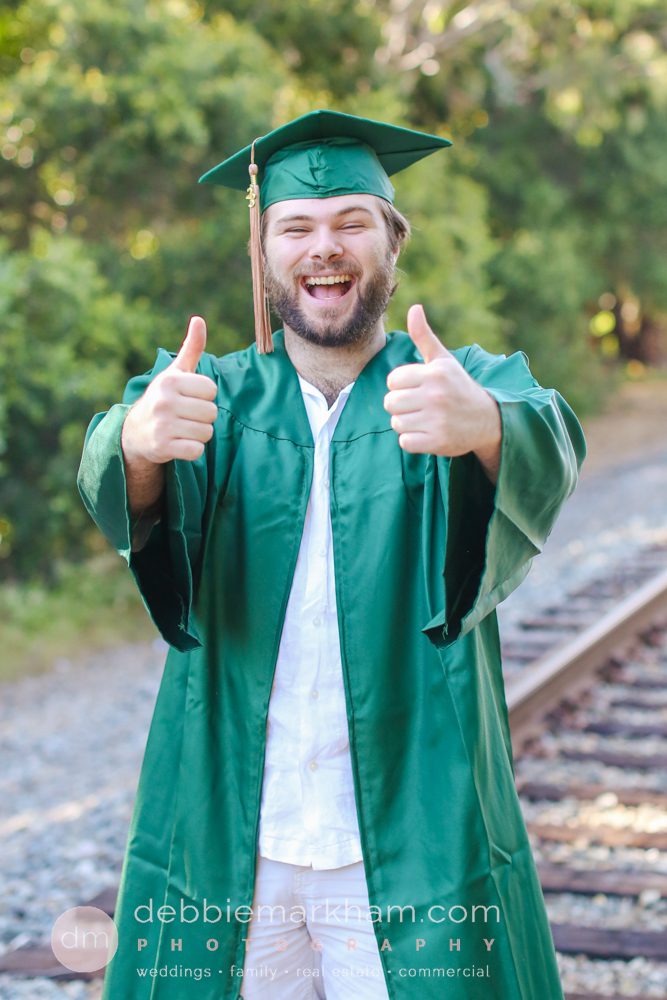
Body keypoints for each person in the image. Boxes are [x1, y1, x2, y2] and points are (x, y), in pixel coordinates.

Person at [77, 109, 586, 1000]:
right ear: (262, 251)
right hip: (238, 835)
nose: (324, 247)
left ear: (392, 243)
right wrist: (136, 446)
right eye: (295, 227)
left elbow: (549, 430)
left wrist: (483, 426)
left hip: (410, 831)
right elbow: (115, 467)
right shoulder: (208, 394)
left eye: (352, 222)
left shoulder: (449, 383)